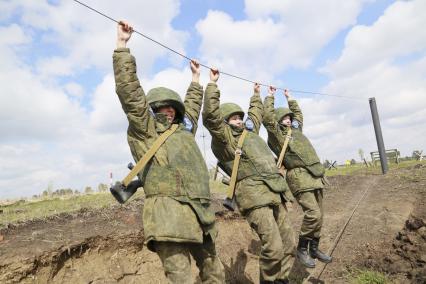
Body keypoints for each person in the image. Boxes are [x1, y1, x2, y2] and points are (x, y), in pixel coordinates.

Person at [113, 21, 225, 283]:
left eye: (172, 108)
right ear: (151, 110)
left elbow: (193, 107)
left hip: (200, 215)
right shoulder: (145, 130)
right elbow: (130, 93)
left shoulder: (183, 131)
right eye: (162, 108)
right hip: (167, 217)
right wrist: (122, 47)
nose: (169, 111)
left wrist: (198, 80)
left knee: (215, 274)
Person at [202, 69, 295, 284]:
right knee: (273, 246)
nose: (238, 120)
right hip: (253, 196)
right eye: (233, 118)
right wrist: (213, 85)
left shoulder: (250, 133)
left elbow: (255, 115)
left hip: (274, 191)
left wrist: (258, 95)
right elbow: (211, 117)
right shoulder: (224, 140)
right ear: (225, 123)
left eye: (239, 117)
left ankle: (281, 279)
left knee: (288, 244)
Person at [263, 88, 332, 268]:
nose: (289, 119)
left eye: (289, 117)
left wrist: (289, 98)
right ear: (279, 121)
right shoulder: (278, 135)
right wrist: (270, 96)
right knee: (313, 214)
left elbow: (299, 114)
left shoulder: (297, 130)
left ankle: (314, 248)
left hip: (314, 175)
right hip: (299, 177)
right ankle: (302, 249)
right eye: (285, 118)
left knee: (320, 216)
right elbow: (267, 119)